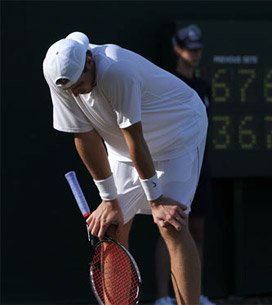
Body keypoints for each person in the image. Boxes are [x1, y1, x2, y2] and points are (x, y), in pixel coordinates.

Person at [42, 31, 207, 305]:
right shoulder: (60, 76)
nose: (74, 92)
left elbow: (135, 137)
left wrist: (155, 200)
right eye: (69, 88)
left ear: (90, 62)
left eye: (79, 84)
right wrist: (108, 200)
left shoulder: (118, 70)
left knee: (172, 224)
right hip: (123, 146)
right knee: (112, 227)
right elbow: (83, 136)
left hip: (179, 133)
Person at [154, 25, 215, 305]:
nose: (196, 53)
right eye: (190, 48)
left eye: (199, 48)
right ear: (177, 49)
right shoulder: (169, 83)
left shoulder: (204, 87)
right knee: (172, 229)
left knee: (197, 231)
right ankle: (164, 298)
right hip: (175, 168)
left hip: (200, 168)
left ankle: (193, 294)